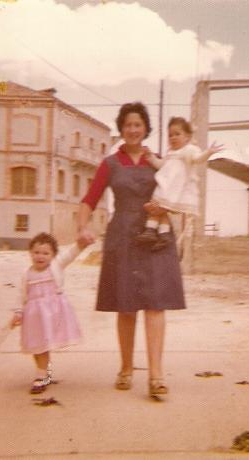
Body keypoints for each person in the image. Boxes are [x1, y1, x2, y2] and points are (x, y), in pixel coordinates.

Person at [76, 102, 186, 397]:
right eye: (128, 125)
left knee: (156, 303)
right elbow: (89, 199)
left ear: (146, 128)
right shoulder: (110, 163)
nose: (133, 130)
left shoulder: (161, 161)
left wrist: (165, 208)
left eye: (138, 125)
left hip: (156, 234)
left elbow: (179, 195)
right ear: (121, 129)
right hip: (123, 236)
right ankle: (126, 368)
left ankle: (156, 376)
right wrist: (82, 227)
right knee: (126, 305)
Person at [10, 232, 85, 394]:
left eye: (45, 253)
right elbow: (21, 295)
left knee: (43, 347)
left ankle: (42, 375)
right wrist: (18, 313)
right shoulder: (26, 274)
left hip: (53, 314)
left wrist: (80, 244)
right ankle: (43, 372)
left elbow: (70, 255)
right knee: (37, 346)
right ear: (30, 253)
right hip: (35, 317)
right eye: (36, 252)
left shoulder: (55, 266)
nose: (40, 256)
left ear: (53, 255)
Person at [135, 116, 223, 250]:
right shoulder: (170, 153)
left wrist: (208, 152)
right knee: (160, 212)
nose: (173, 138)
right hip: (165, 189)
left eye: (177, 134)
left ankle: (150, 230)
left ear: (187, 137)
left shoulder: (189, 150)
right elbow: (161, 165)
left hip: (174, 192)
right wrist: (151, 158)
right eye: (170, 135)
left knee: (153, 208)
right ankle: (163, 234)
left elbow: (198, 159)